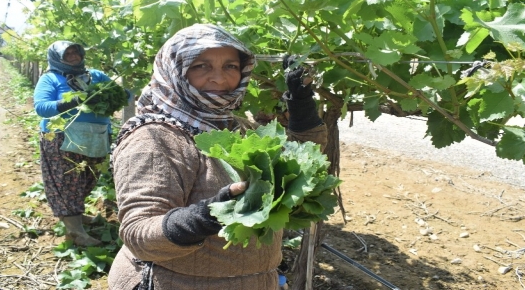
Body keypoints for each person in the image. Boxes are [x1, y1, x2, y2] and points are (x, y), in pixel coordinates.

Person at [108, 24, 327, 290]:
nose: (219, 79)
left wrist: (301, 102)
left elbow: (300, 161)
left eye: (230, 67)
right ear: (175, 70)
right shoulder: (153, 139)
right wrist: (209, 214)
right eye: (202, 66)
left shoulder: (236, 128)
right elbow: (139, 233)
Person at [33, 40, 116, 247]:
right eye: (66, 54)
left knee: (89, 178)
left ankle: (75, 216)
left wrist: (119, 95)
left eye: (75, 52)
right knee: (67, 182)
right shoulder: (50, 78)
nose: (73, 56)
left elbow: (121, 95)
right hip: (62, 138)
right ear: (57, 58)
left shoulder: (96, 76)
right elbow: (42, 107)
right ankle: (75, 231)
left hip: (96, 136)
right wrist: (74, 101)